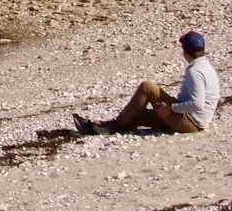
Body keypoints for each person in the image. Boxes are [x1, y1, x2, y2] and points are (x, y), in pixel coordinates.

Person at [74, 31, 219, 135]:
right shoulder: (206, 67)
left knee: (147, 87)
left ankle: (113, 126)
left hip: (191, 123)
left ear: (185, 52)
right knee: (136, 115)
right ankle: (99, 127)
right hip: (193, 120)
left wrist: (171, 108)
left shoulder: (195, 72)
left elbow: (197, 104)